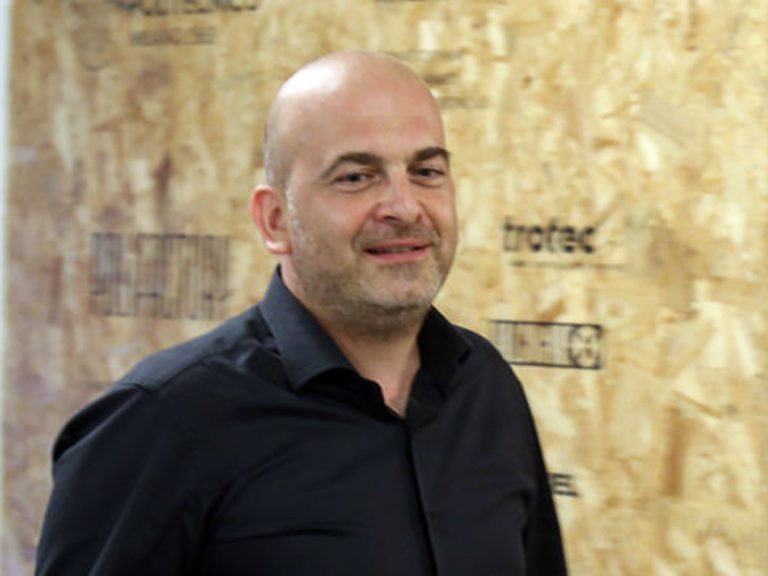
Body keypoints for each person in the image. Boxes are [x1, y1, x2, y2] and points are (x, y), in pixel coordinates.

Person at [35, 51, 568, 575]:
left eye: (426, 171)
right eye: (356, 177)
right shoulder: (162, 422)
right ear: (275, 220)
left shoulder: (486, 386)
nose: (405, 207)